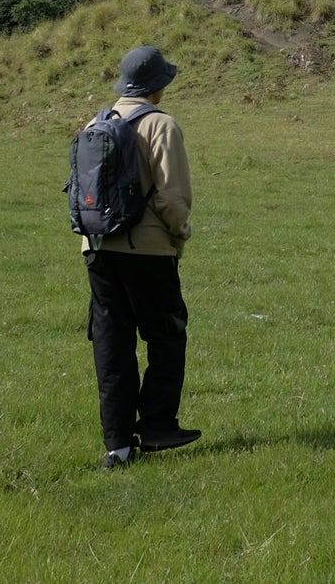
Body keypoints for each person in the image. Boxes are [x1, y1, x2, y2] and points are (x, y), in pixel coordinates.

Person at [83, 44, 200, 468]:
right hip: (147, 250)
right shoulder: (160, 125)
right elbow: (173, 198)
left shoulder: (97, 122)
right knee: (167, 335)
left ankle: (118, 445)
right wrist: (179, 236)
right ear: (158, 87)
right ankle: (157, 427)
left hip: (97, 248)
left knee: (112, 345)